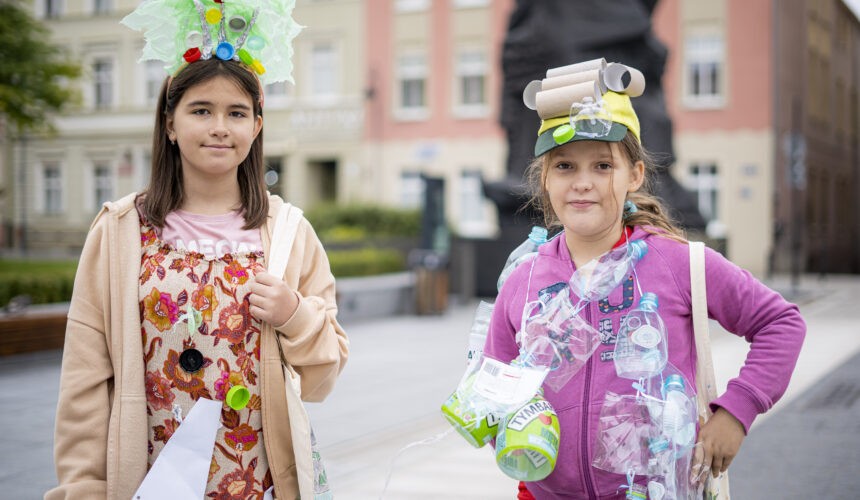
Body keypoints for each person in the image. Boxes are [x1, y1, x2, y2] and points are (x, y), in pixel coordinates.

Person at [47, 2, 348, 498]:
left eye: (236, 113)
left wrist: (296, 315)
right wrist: (83, 487)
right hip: (146, 479)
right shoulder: (120, 230)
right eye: (201, 110)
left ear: (256, 126)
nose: (219, 127)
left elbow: (322, 379)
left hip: (259, 482)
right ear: (169, 124)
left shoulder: (290, 233)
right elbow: (84, 379)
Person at [483, 59, 806, 499]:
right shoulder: (524, 278)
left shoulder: (677, 262)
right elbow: (495, 380)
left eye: (602, 166)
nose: (582, 183)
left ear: (634, 175)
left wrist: (737, 411)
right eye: (564, 167)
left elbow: (781, 323)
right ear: (544, 179)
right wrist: (491, 414)